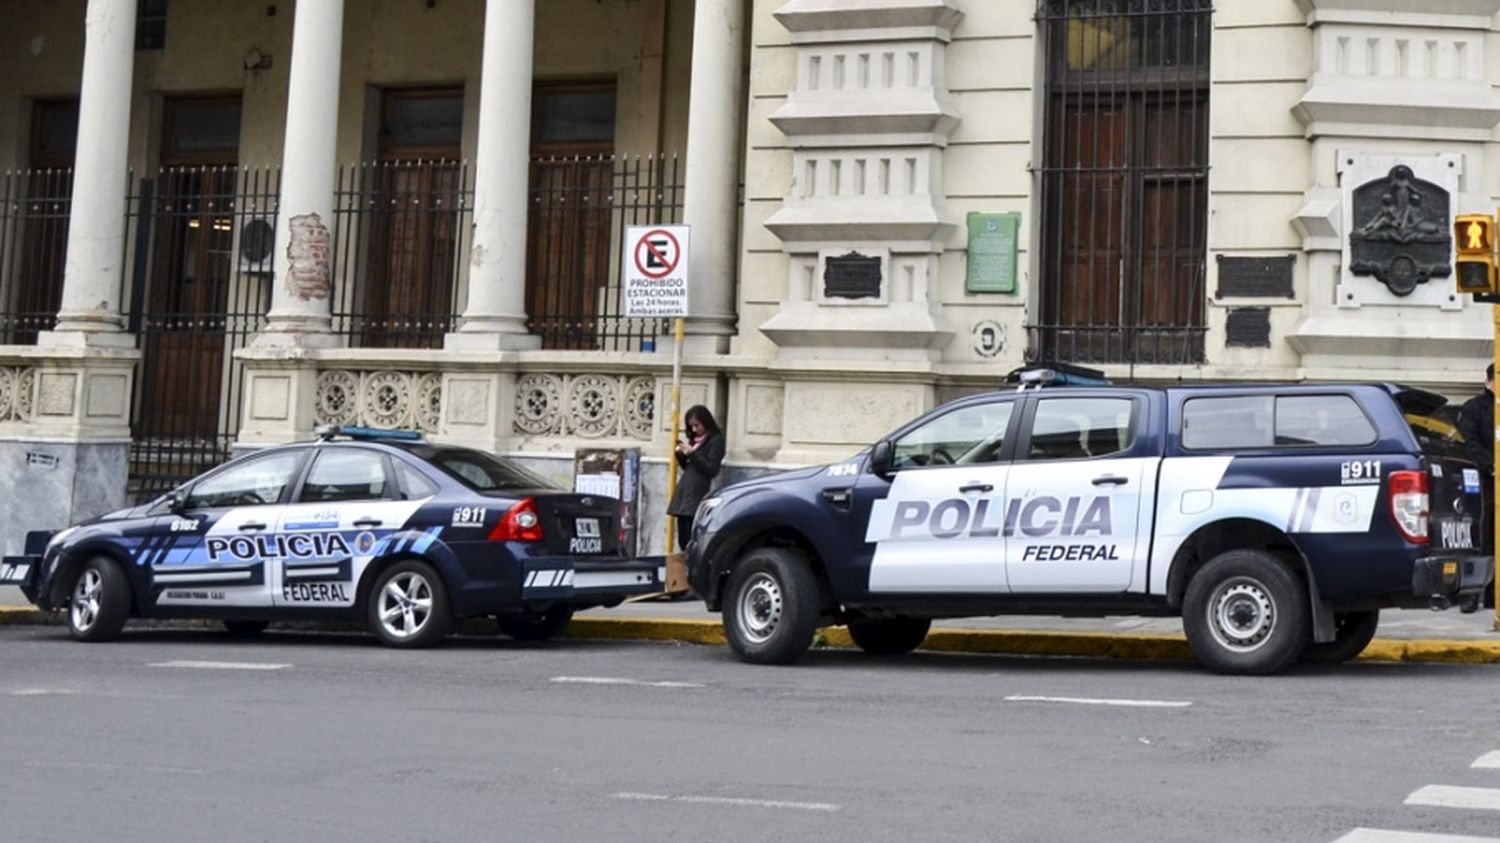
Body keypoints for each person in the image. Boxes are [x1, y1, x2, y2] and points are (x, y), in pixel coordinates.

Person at [1457, 363, 1496, 609]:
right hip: (1485, 483)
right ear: (1488, 381)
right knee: (1482, 539)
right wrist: (1491, 465)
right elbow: (1467, 444)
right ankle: (1472, 594)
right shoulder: (1475, 409)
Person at [667, 405, 724, 551]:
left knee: (691, 538)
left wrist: (692, 454)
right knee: (682, 538)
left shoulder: (715, 441)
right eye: (691, 426)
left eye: (697, 425)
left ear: (706, 422)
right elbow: (690, 467)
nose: (694, 430)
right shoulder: (695, 440)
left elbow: (711, 469)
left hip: (696, 493)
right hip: (685, 493)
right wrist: (681, 455)